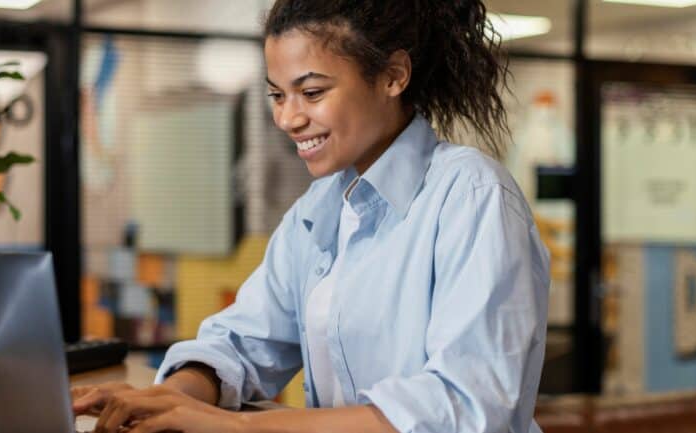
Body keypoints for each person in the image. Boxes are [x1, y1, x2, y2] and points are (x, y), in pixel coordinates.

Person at [71, 0, 551, 432]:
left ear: (393, 76)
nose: (288, 118)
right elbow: (242, 342)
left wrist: (235, 428)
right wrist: (167, 401)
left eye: (312, 92)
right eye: (278, 95)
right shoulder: (318, 209)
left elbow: (465, 408)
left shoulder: (472, 196)